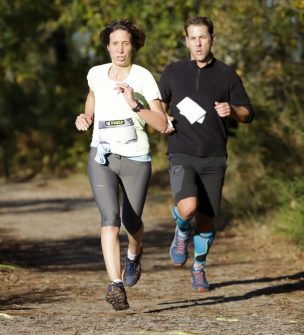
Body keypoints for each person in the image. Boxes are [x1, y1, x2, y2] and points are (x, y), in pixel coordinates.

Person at [75, 19, 167, 310]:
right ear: (107, 46)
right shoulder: (96, 74)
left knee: (131, 222)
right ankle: (115, 285)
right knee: (110, 219)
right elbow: (91, 98)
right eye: (115, 43)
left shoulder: (143, 78)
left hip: (136, 158)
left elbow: (163, 124)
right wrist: (86, 117)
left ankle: (135, 253)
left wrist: (135, 105)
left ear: (134, 45)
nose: (120, 49)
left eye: (126, 43)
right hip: (101, 156)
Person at [159, 16, 254, 292]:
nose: (198, 43)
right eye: (193, 37)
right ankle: (180, 229)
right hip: (182, 152)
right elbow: (158, 106)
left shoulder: (226, 74)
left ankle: (198, 267)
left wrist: (232, 110)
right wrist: (162, 116)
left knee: (207, 219)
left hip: (214, 157)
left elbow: (248, 113)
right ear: (186, 40)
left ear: (213, 39)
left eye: (203, 37)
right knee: (188, 207)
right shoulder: (173, 72)